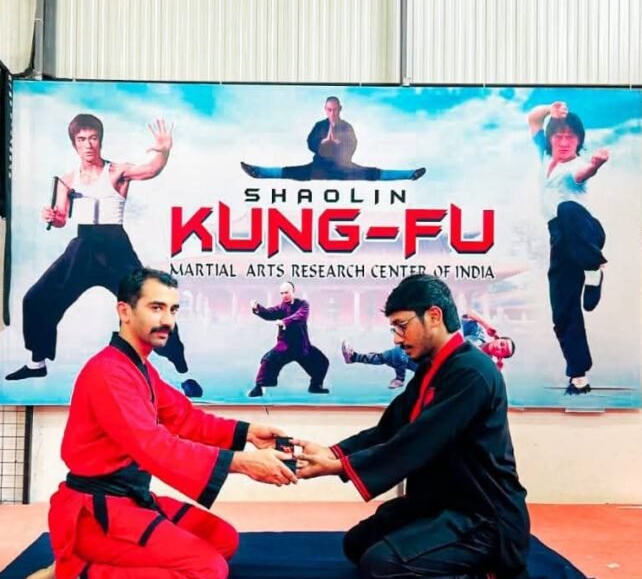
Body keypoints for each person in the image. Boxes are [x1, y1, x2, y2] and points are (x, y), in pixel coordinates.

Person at [19, 268, 296, 579]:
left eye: (173, 309)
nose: (167, 320)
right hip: (94, 515)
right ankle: (77, 577)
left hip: (129, 501)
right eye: (156, 308)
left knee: (223, 540)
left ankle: (107, 558)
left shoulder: (139, 367)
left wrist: (249, 433)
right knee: (208, 573)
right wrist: (243, 463)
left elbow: (185, 418)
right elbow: (154, 447)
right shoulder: (108, 372)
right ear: (124, 311)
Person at [297, 275, 531, 579]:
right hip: (439, 503)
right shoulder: (434, 368)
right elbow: (391, 429)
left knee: (382, 567)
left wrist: (339, 467)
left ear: (434, 316)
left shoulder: (472, 372)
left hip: (482, 516)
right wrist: (331, 452)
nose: (397, 338)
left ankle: (491, 578)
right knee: (357, 544)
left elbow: (418, 441)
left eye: (401, 326)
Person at [6, 114, 203, 397]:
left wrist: (163, 151)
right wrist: (52, 216)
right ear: (74, 143)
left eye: (93, 138)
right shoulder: (66, 180)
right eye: (82, 139)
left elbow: (150, 170)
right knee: (37, 299)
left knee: (149, 304)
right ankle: (37, 362)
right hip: (83, 247)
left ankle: (179, 363)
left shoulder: (116, 171)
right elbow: (61, 218)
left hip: (116, 247)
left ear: (100, 140)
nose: (88, 144)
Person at [527, 101, 609, 396]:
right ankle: (578, 375)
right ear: (550, 139)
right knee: (563, 309)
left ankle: (594, 268)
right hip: (561, 243)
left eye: (570, 137)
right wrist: (550, 110)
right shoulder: (544, 156)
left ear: (579, 141)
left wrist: (595, 165)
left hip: (585, 232)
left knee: (566, 208)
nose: (563, 142)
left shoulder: (575, 165)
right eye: (558, 136)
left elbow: (583, 173)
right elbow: (533, 118)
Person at [241, 96, 426, 182]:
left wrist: (338, 146)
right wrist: (323, 144)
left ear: (340, 109)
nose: (332, 113)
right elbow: (310, 143)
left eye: (335, 110)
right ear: (325, 109)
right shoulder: (320, 126)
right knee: (292, 171)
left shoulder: (347, 127)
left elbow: (352, 145)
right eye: (329, 110)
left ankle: (411, 174)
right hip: (319, 168)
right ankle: (258, 172)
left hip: (343, 168)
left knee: (372, 173)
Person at [340, 310, 513, 389]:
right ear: (498, 339)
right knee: (394, 355)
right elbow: (468, 314)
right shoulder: (478, 335)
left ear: (500, 356)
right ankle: (354, 357)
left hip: (438, 371)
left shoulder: (486, 363)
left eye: (502, 352)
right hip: (430, 352)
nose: (499, 348)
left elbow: (489, 385)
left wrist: (498, 368)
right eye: (502, 344)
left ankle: (399, 377)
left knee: (397, 355)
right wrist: (488, 326)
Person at [248, 280, 330, 397]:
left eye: (286, 292)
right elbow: (269, 313)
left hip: (301, 346)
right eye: (282, 293)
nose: (284, 295)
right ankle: (258, 388)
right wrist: (257, 308)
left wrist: (284, 322)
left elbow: (300, 316)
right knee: (268, 360)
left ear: (293, 291)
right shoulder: (281, 307)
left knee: (322, 362)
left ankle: (315, 386)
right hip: (285, 346)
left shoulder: (303, 304)